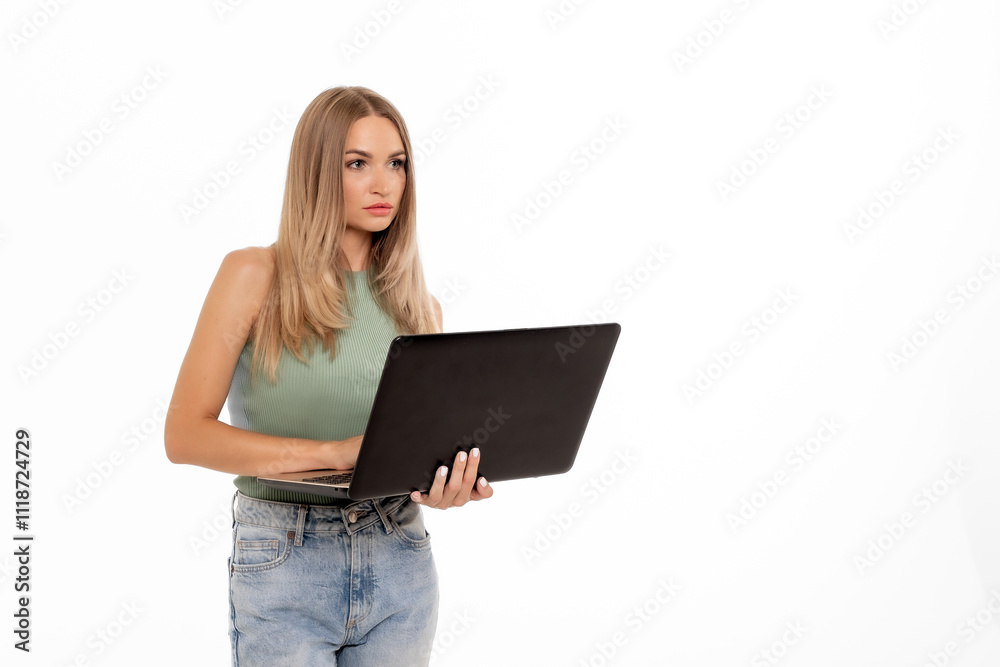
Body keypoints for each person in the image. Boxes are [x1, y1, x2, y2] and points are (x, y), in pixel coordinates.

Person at [164, 85, 493, 665]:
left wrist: (445, 485)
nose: (383, 184)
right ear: (316, 172)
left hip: (399, 555)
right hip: (284, 557)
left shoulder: (421, 308)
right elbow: (184, 435)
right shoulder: (254, 275)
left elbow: (416, 450)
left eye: (396, 163)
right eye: (357, 163)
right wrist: (334, 454)